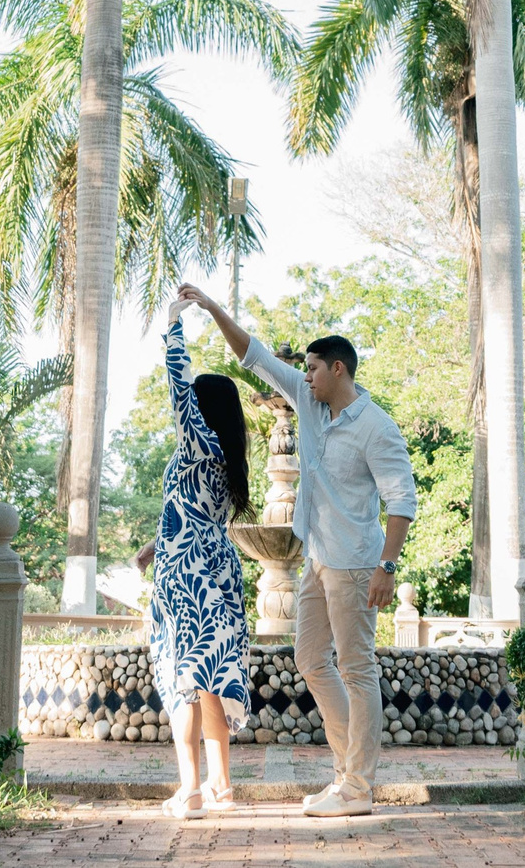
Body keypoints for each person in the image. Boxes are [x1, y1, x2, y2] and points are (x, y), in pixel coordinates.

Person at [174, 281, 416, 819]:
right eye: (303, 370)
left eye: (312, 368)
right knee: (310, 659)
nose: (304, 376)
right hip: (317, 558)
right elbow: (253, 355)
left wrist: (387, 567)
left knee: (357, 669)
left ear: (338, 369)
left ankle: (358, 787)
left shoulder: (377, 429)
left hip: (356, 562)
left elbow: (402, 501)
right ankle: (345, 773)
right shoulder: (309, 403)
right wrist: (213, 308)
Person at [134, 296, 255, 819]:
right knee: (208, 676)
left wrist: (172, 325)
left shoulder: (196, 439)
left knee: (182, 676)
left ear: (201, 412)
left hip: (185, 571)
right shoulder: (230, 456)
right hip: (218, 566)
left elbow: (177, 384)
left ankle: (191, 790)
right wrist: (155, 543)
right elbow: (196, 513)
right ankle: (222, 786)